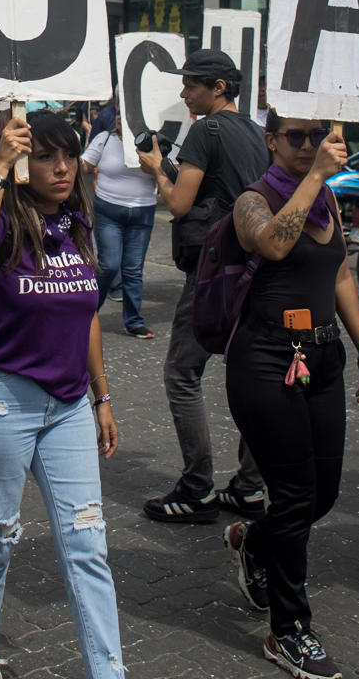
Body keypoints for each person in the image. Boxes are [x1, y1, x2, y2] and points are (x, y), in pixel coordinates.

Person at [0, 111, 121, 679]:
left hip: (69, 404)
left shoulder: (77, 221)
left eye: (69, 156)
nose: (62, 167)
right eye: (47, 156)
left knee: (88, 544)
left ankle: (109, 671)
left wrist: (102, 397)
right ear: (25, 163)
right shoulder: (2, 216)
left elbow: (88, 316)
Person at [225, 115, 359, 678]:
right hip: (265, 361)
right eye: (296, 136)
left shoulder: (328, 204)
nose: (310, 146)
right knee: (293, 496)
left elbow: (339, 271)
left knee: (324, 492)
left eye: (317, 136)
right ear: (271, 141)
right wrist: (316, 175)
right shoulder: (252, 199)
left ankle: (253, 539)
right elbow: (270, 243)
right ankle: (288, 631)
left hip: (323, 355)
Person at [138, 50, 270, 524]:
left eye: (192, 84)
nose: (183, 92)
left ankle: (197, 488)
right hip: (255, 269)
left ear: (218, 88)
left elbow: (178, 204)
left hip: (215, 272)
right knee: (251, 375)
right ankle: (251, 486)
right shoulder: (255, 132)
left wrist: (157, 167)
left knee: (182, 373)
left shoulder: (205, 129)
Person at [80, 110, 158, 340]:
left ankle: (133, 322)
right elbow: (85, 165)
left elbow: (166, 172)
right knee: (109, 265)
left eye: (124, 112)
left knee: (133, 270)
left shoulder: (153, 144)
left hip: (142, 213)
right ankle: (86, 313)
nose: (119, 117)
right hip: (108, 211)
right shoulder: (104, 139)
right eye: (117, 113)